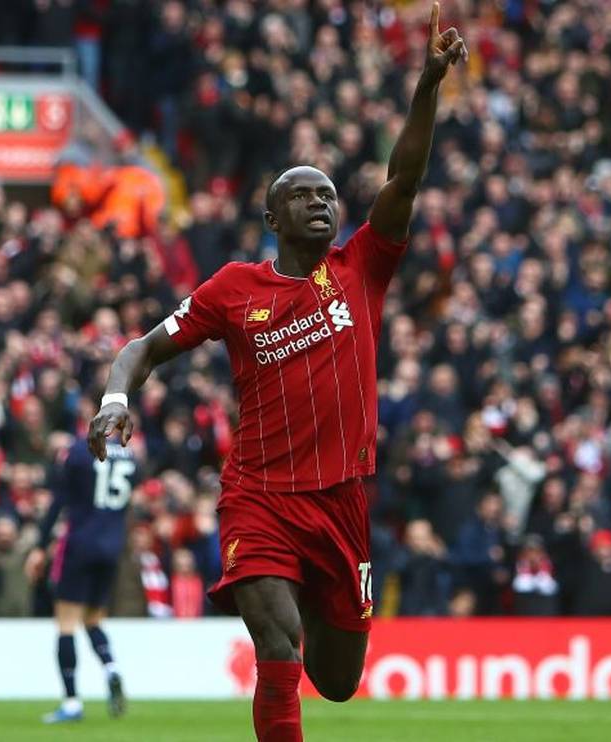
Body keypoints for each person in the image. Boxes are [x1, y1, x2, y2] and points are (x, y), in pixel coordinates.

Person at [86, 5, 465, 739]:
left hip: (342, 500)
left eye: (328, 194)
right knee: (278, 647)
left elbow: (405, 177)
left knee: (338, 681)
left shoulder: (362, 268)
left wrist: (426, 87)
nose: (321, 202)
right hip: (258, 495)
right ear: (272, 219)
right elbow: (141, 350)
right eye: (303, 194)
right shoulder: (234, 289)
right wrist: (113, 400)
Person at [24, 436, 134, 723]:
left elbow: (59, 501)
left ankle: (72, 702)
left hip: (81, 543)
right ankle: (111, 667)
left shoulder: (78, 452)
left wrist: (39, 546)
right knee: (93, 619)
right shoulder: (129, 454)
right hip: (112, 546)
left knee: (66, 623)